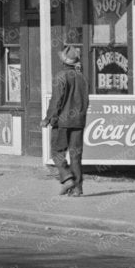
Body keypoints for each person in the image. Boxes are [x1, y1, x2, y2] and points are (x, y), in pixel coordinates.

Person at [43, 45, 88, 196]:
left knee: (56, 152)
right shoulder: (82, 77)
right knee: (76, 155)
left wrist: (48, 118)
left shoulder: (60, 76)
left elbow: (56, 100)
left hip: (62, 121)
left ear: (63, 61)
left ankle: (67, 177)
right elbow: (86, 101)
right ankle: (78, 188)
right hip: (78, 122)